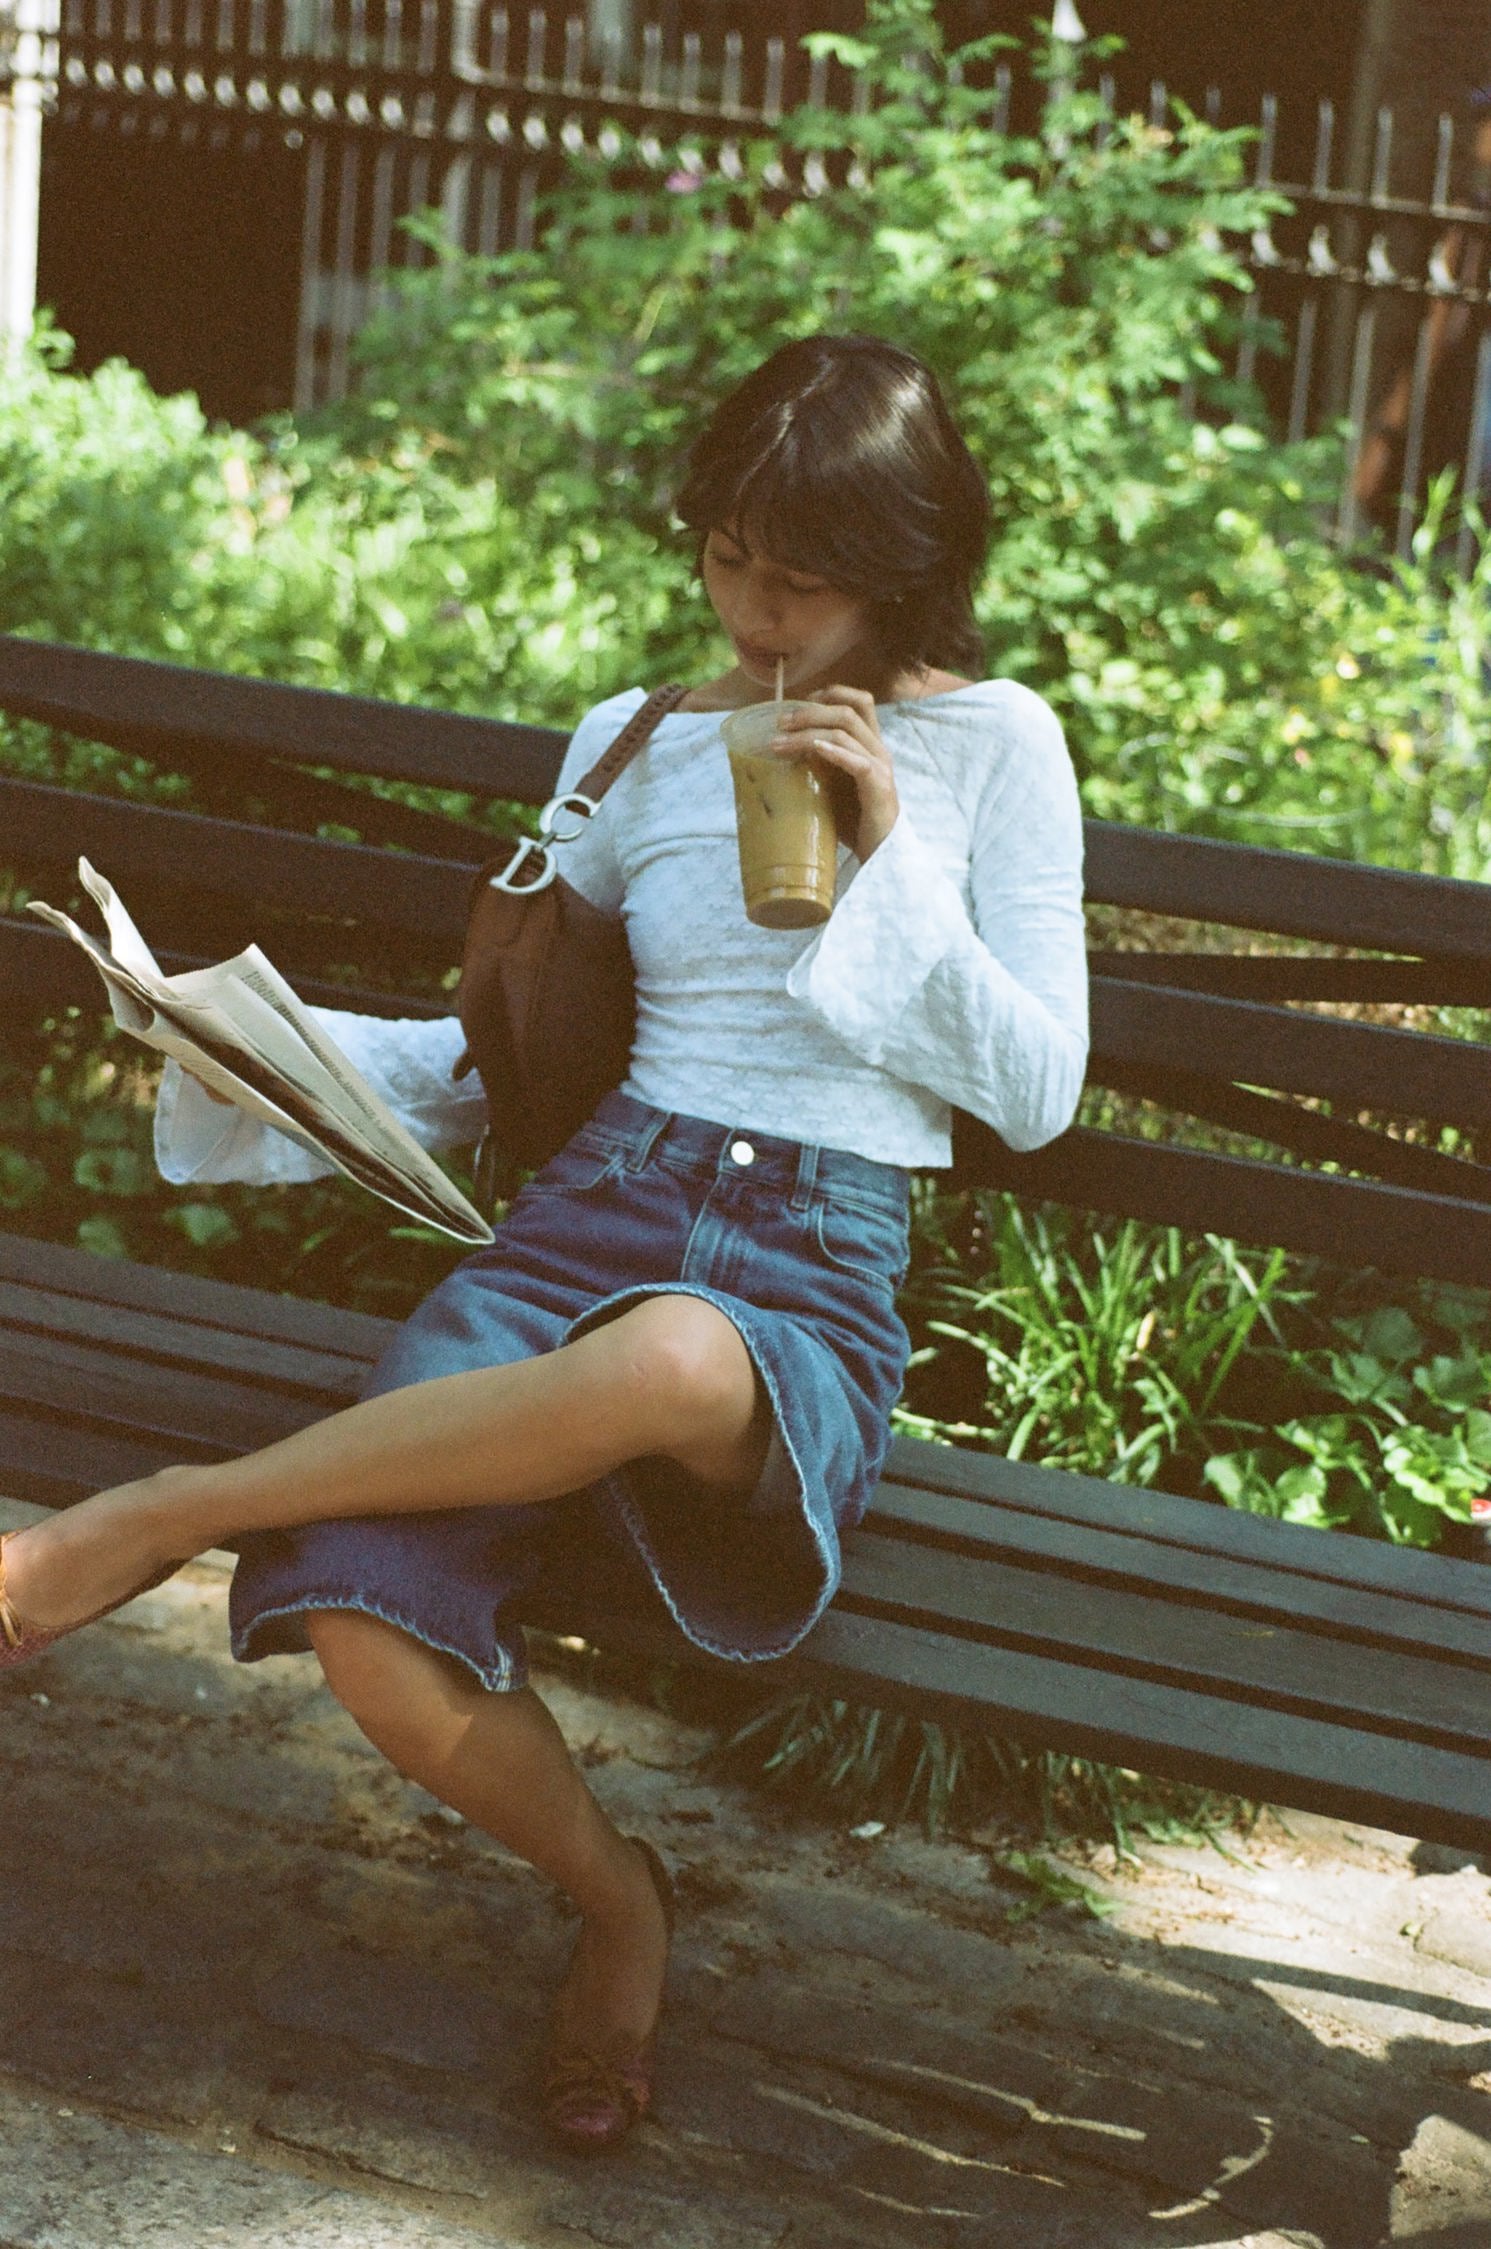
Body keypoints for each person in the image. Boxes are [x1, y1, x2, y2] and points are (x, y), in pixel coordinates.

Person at [0, 333, 1088, 2150]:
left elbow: (1040, 1088)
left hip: (799, 1265)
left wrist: (889, 845)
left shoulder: (998, 746)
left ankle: (161, 1513)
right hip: (595, 1212)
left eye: (802, 576)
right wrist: (259, 1055)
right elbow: (512, 1063)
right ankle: (619, 1901)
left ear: (905, 565)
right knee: (365, 1623)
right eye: (727, 557)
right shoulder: (637, 741)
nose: (755, 610)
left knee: (667, 1356)